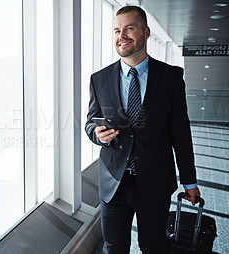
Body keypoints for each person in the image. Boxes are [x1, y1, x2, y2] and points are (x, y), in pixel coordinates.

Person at [85, 5, 200, 254]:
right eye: (117, 30)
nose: (121, 35)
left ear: (146, 32)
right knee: (114, 248)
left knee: (153, 246)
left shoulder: (171, 78)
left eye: (129, 28)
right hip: (114, 182)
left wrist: (189, 180)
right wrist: (97, 134)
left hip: (155, 181)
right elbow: (90, 122)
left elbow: (181, 133)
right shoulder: (99, 79)